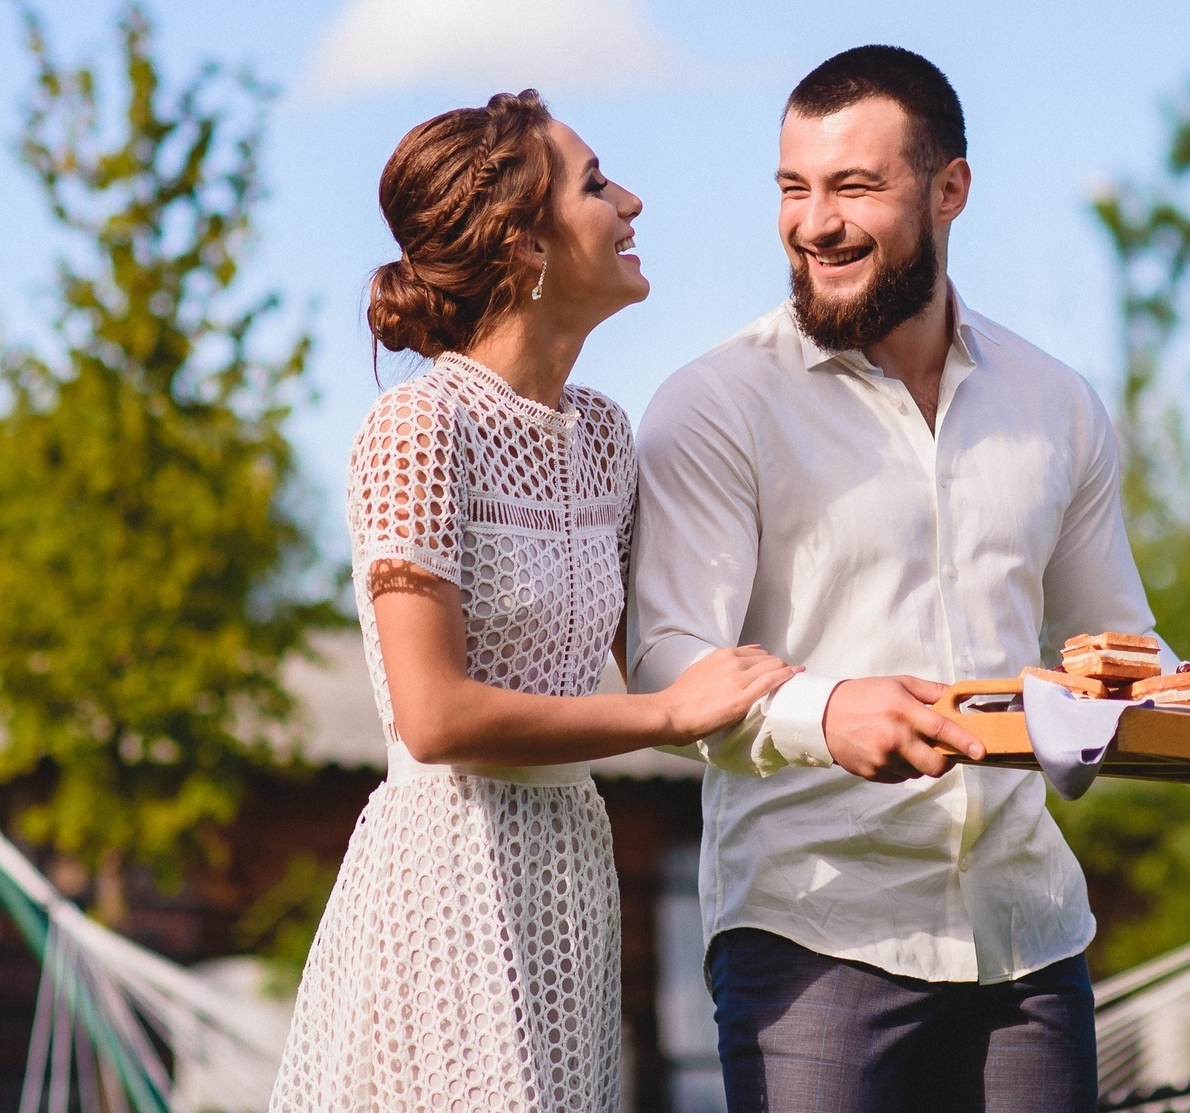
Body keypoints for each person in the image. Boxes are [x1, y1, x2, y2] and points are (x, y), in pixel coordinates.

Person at [628, 46, 1190, 1113]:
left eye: (854, 186)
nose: (814, 222)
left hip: (1029, 941)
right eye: (793, 187)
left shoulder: (1056, 403)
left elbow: (1117, 651)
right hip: (813, 934)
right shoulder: (716, 404)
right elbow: (667, 664)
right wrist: (826, 710)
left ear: (949, 188)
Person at [271, 90, 797, 1113]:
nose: (631, 200)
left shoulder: (605, 437)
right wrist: (663, 716)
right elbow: (434, 716)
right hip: (444, 878)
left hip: (567, 880)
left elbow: (677, 658)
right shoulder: (419, 428)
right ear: (526, 241)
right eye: (597, 184)